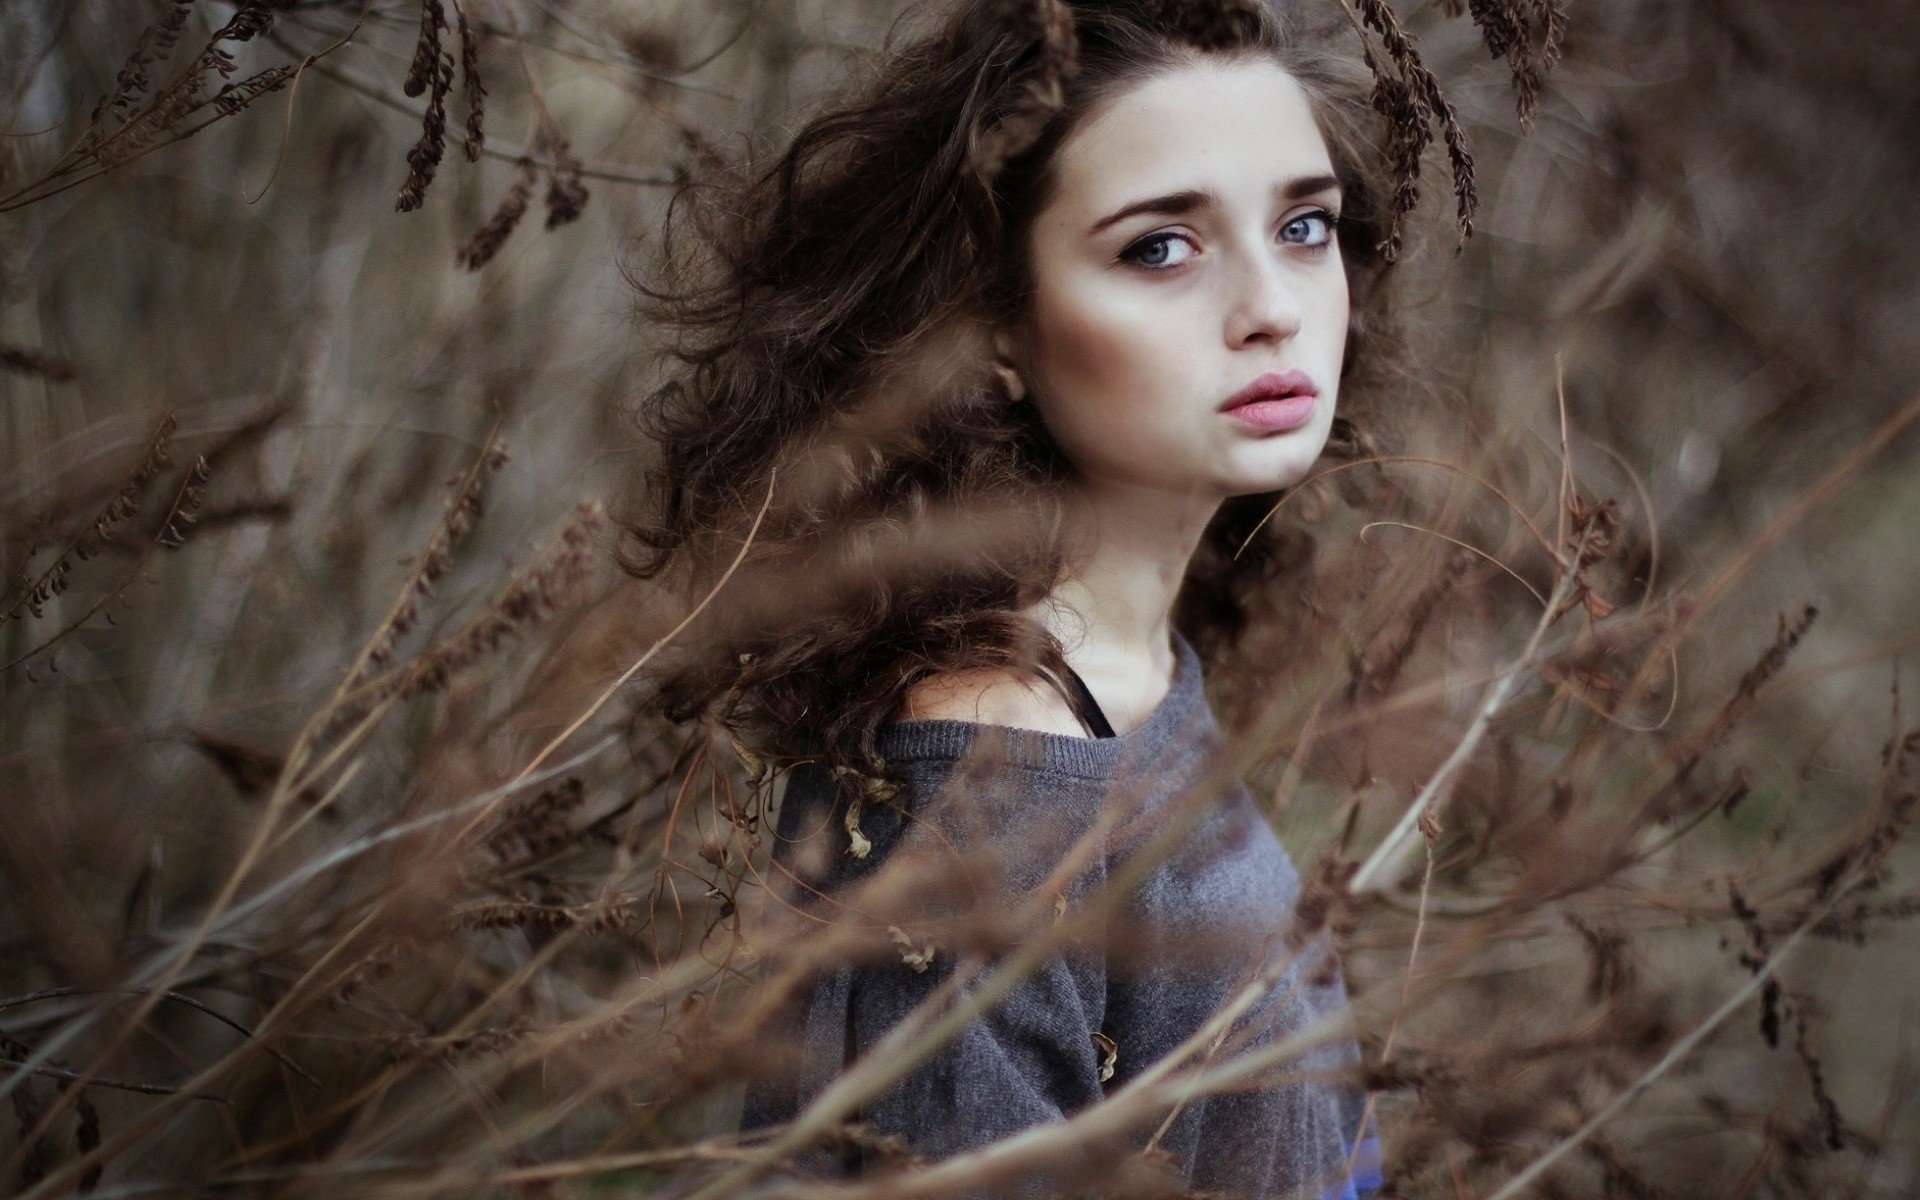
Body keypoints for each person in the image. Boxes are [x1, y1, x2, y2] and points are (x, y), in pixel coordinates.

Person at [620, 0, 1403, 1195]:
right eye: (1160, 247)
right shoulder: (988, 797)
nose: (1275, 307)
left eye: (1304, 226)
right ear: (992, 331)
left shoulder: (1127, 668)